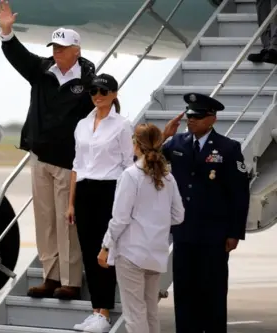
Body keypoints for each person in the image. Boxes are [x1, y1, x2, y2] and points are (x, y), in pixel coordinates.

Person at [0, 0, 96, 300]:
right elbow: (18, 56)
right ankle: (51, 277)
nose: (57, 52)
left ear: (76, 51)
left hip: (68, 161)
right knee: (45, 220)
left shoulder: (88, 81)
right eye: (54, 46)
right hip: (40, 158)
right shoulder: (41, 70)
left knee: (67, 222)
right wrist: (7, 32)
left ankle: (71, 280)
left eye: (62, 48)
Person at [161, 93, 251, 333]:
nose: (191, 120)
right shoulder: (176, 143)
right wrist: (163, 136)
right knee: (184, 290)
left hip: (214, 234)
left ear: (212, 119)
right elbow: (148, 161)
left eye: (198, 116)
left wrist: (234, 233)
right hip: (184, 231)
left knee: (213, 291)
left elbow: (239, 194)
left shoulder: (228, 148)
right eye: (189, 116)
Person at [97, 123, 185, 333]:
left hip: (131, 254)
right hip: (155, 254)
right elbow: (179, 216)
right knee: (150, 312)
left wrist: (106, 246)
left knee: (135, 315)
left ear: (136, 145)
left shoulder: (130, 175)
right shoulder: (168, 177)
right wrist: (157, 221)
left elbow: (119, 218)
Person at [66, 73, 133, 333]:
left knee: (105, 252)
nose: (97, 96)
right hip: (84, 190)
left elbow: (128, 165)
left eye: (103, 91)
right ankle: (96, 310)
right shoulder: (82, 124)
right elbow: (76, 165)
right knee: (88, 250)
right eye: (94, 91)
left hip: (110, 189)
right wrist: (71, 203)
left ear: (114, 95)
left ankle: (104, 313)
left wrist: (125, 201)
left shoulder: (122, 125)